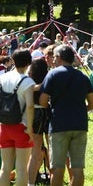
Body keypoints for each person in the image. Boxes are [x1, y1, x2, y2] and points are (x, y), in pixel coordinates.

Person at [39, 45, 93, 186]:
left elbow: (42, 101)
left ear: (58, 58)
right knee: (77, 168)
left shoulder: (52, 74)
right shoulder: (82, 77)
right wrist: (81, 110)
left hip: (59, 124)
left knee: (57, 168)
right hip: (80, 124)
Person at [0, 49, 35, 186]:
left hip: (4, 126)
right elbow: (30, 106)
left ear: (13, 61)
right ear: (28, 63)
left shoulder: (2, 78)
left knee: (5, 168)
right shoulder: (27, 81)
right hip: (22, 127)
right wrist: (30, 129)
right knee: (21, 170)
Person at [27, 57, 49, 186]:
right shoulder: (46, 81)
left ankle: (30, 182)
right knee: (48, 150)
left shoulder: (27, 81)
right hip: (43, 113)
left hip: (32, 114)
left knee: (34, 152)